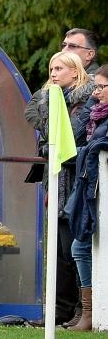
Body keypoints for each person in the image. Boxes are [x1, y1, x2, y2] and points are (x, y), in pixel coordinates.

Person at [24, 51, 94, 327]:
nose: (53, 73)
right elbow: (41, 130)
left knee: (76, 249)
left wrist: (53, 146)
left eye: (60, 68)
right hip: (57, 183)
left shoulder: (86, 101)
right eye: (51, 68)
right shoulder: (50, 99)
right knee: (59, 252)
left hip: (78, 182)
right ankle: (59, 310)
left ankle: (82, 310)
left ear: (75, 72)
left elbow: (70, 139)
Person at [64, 64, 108, 331]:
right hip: (91, 194)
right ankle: (90, 312)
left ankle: (93, 312)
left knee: (80, 248)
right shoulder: (96, 114)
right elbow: (73, 138)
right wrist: (94, 99)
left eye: (102, 87)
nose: (97, 92)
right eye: (95, 86)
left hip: (100, 195)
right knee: (79, 247)